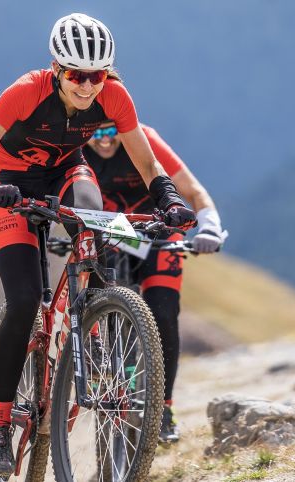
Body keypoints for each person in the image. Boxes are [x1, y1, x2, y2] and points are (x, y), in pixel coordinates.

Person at [0, 13, 196, 478]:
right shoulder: (25, 90)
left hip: (67, 172)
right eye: (76, 75)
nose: (87, 86)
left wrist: (167, 198)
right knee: (24, 302)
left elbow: (147, 163)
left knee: (94, 224)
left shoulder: (115, 96)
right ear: (56, 68)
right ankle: (0, 423)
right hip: (11, 187)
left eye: (97, 75)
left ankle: (96, 314)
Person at [84, 121, 226, 444]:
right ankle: (107, 375)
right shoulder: (78, 144)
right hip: (113, 236)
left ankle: (163, 406)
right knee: (103, 303)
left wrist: (209, 227)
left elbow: (193, 191)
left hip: (160, 235)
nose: (103, 142)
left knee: (164, 313)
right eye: (95, 134)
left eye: (110, 133)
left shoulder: (143, 138)